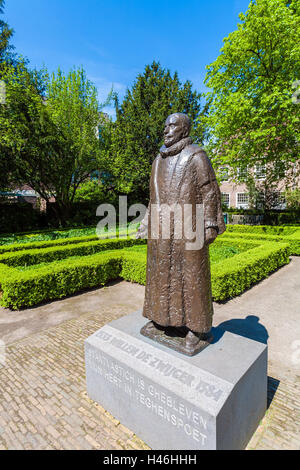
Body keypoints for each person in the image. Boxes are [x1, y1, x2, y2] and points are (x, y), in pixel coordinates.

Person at [137, 113, 225, 355]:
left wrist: (209, 224)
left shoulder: (196, 155)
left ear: (184, 130)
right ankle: (163, 321)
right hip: (162, 229)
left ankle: (197, 330)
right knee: (161, 275)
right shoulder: (158, 160)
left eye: (172, 126)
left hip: (190, 227)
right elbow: (152, 198)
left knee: (192, 278)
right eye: (164, 125)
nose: (166, 130)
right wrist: (146, 223)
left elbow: (210, 191)